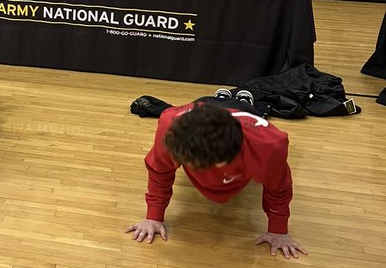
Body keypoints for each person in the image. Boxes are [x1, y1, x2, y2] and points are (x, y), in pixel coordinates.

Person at [127, 101, 307, 258]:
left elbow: (279, 188)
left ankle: (244, 99)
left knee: (244, 106)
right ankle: (225, 98)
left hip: (249, 118)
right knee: (216, 102)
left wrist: (278, 229)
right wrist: (153, 216)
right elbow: (159, 170)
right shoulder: (170, 127)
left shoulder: (271, 147)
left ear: (223, 162)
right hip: (202, 106)